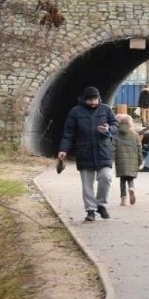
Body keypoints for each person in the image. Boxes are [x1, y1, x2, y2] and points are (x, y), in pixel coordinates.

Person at [58, 86, 118, 222]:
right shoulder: (75, 112)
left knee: (106, 177)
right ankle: (90, 210)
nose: (93, 102)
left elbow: (115, 125)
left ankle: (101, 204)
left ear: (99, 98)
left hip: (103, 150)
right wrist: (63, 149)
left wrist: (109, 129)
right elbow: (68, 132)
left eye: (95, 99)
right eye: (90, 100)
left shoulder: (106, 109)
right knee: (87, 184)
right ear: (85, 99)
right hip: (84, 151)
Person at [113, 114, 142, 205]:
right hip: (133, 161)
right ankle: (131, 188)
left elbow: (112, 148)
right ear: (130, 124)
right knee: (130, 178)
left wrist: (111, 160)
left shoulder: (116, 135)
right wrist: (140, 161)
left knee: (122, 180)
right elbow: (139, 149)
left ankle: (123, 200)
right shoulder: (135, 135)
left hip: (121, 162)